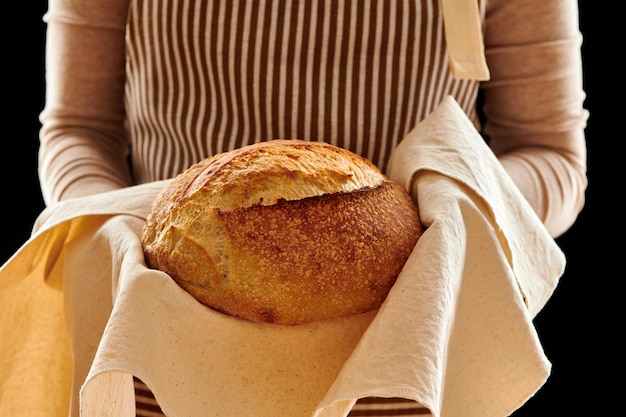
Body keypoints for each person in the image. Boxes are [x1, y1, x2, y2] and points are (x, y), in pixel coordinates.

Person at [37, 0, 588, 415]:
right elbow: (78, 130)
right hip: (169, 352)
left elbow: (550, 155)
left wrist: (458, 202)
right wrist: (109, 225)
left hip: (408, 364)